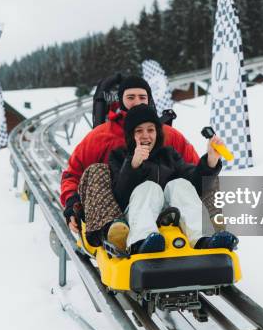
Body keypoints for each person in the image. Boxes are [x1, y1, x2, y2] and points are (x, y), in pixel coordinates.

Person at [60, 76, 200, 240]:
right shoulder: (101, 136)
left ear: (149, 100)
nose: (137, 102)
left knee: (179, 184)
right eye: (130, 97)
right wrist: (72, 204)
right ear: (121, 101)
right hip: (118, 205)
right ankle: (111, 229)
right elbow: (73, 173)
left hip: (166, 205)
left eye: (142, 97)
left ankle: (202, 234)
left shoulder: (168, 135)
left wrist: (210, 167)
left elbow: (194, 170)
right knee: (97, 170)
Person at [108, 104, 238, 254]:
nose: (145, 135)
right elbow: (120, 196)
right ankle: (141, 243)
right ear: (131, 135)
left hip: (170, 216)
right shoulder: (119, 156)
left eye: (150, 130)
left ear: (157, 132)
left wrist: (211, 160)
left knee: (180, 184)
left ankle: (203, 239)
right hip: (137, 215)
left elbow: (194, 183)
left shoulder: (168, 155)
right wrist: (133, 164)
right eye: (139, 131)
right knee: (149, 188)